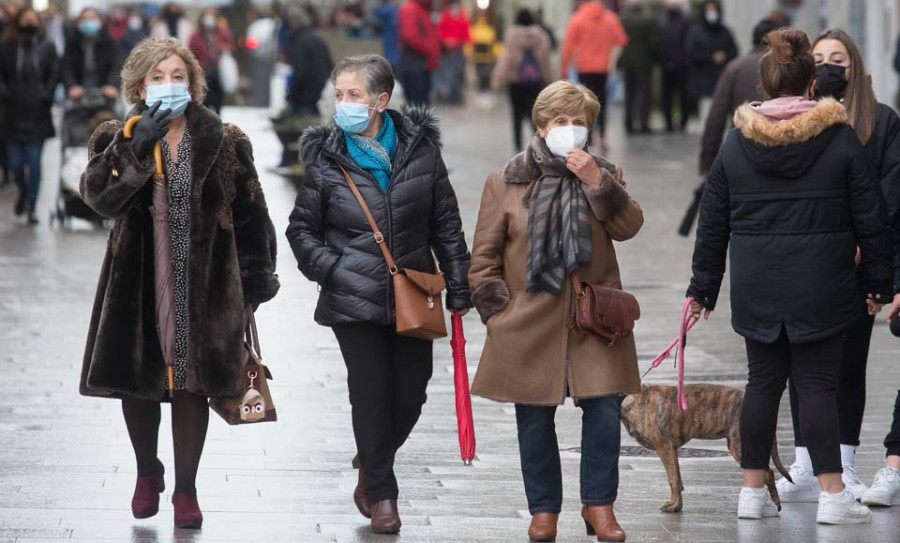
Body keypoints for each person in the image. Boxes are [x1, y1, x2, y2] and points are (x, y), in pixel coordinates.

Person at [687, 28, 892, 524]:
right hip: (823, 287)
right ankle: (832, 496)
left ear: (765, 84)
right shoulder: (839, 139)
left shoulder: (737, 144)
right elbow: (872, 218)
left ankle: (752, 495)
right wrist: (878, 285)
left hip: (758, 288)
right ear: (809, 87)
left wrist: (703, 288)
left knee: (763, 385)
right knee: (818, 386)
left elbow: (712, 222)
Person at [79, 37, 280, 529]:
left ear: (192, 83)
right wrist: (135, 146)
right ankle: (148, 471)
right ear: (139, 85)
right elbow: (99, 198)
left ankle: (186, 489)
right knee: (139, 377)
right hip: (139, 277)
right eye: (157, 77)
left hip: (205, 278)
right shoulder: (115, 135)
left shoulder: (225, 139)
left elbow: (254, 214)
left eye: (178, 77)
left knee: (193, 379)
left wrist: (255, 283)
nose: (169, 85)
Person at [287, 54, 471, 535]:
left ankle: (371, 464)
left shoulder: (421, 151)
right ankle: (383, 495)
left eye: (354, 95)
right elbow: (301, 229)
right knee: (370, 395)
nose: (343, 104)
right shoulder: (327, 159)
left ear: (381, 101)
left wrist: (459, 284)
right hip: (354, 299)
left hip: (416, 291)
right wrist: (333, 268)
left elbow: (445, 223)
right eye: (340, 94)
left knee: (411, 393)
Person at [469, 80, 643, 543]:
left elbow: (629, 226)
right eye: (560, 122)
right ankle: (544, 510)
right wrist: (498, 313)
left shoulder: (604, 173)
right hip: (529, 321)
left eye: (579, 122)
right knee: (534, 419)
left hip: (596, 319)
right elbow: (483, 258)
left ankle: (599, 506)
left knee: (605, 413)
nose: (570, 130)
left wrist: (596, 183)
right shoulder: (506, 180)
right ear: (541, 126)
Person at [773, 28, 900, 505]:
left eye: (838, 58)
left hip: (861, 265)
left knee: (850, 365)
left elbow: (889, 195)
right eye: (820, 58)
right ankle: (806, 462)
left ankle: (843, 463)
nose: (829, 66)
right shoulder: (800, 120)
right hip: (810, 263)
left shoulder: (882, 122)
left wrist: (865, 249)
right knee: (802, 365)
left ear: (856, 67)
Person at [699, 18, 781, 176]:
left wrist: (707, 162)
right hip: (780, 146)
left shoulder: (734, 68)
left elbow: (716, 116)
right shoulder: (786, 67)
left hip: (741, 146)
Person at [0, 7, 59, 225]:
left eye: (34, 18)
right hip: (12, 111)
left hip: (38, 111)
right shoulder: (6, 45)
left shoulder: (47, 45)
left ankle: (32, 204)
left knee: (34, 162)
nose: (30, 22)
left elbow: (54, 72)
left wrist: (46, 93)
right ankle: (23, 192)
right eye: (26, 18)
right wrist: (5, 93)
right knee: (16, 162)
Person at [559, 0, 628, 146]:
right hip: (603, 68)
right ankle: (602, 135)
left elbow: (567, 48)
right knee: (602, 102)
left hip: (584, 67)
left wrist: (563, 70)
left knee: (585, 103)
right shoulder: (610, 18)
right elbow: (622, 40)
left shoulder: (577, 19)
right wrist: (612, 57)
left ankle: (588, 136)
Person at [490, 8, 552, 152]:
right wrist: (549, 79)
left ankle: (517, 146)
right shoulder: (541, 36)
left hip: (515, 81)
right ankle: (538, 143)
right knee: (535, 113)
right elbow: (545, 61)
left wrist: (497, 78)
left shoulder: (512, 36)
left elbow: (505, 58)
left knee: (516, 114)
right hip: (535, 81)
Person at [686, 0, 738, 121]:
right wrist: (710, 57)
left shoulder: (725, 31)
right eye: (708, 10)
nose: (711, 13)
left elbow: (733, 51)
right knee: (707, 112)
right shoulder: (696, 31)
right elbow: (691, 53)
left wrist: (724, 57)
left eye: (713, 9)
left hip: (722, 77)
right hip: (703, 79)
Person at [62, 8, 121, 103]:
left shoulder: (110, 43)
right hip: (79, 94)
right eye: (84, 19)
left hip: (104, 93)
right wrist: (71, 85)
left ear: (100, 22)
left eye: (92, 18)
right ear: (78, 23)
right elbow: (66, 68)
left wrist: (112, 85)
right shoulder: (72, 45)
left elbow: (117, 65)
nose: (88, 22)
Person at [619, 0, 658, 135]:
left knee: (629, 93)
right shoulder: (647, 20)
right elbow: (654, 43)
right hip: (644, 63)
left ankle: (628, 124)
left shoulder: (623, 19)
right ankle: (643, 124)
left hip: (627, 63)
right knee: (644, 94)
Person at [285, 8, 332, 117]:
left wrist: (291, 96)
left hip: (303, 98)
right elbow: (330, 66)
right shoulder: (319, 40)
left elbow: (299, 73)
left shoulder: (299, 42)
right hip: (320, 95)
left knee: (303, 130)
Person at [188, 7, 233, 114]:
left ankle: (217, 120)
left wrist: (222, 47)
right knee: (204, 99)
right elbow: (190, 52)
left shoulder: (222, 32)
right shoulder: (196, 35)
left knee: (218, 100)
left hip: (218, 71)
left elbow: (230, 46)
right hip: (202, 71)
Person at [657, 0, 692, 132]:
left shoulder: (686, 20)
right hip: (666, 64)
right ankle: (668, 123)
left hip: (682, 65)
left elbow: (688, 42)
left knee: (683, 94)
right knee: (667, 95)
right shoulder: (661, 19)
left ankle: (683, 122)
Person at [397, 0, 439, 106]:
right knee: (417, 107)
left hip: (423, 65)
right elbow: (411, 37)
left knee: (422, 106)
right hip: (414, 66)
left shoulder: (424, 8)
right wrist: (430, 49)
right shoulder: (410, 9)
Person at [436, 0, 470, 105]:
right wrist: (446, 41)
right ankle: (448, 95)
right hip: (446, 51)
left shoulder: (462, 16)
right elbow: (440, 30)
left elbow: (466, 32)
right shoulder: (445, 15)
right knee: (447, 74)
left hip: (458, 51)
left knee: (458, 74)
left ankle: (457, 95)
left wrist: (457, 41)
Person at [372, 0, 399, 70]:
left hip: (390, 53)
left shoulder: (386, 10)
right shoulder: (393, 10)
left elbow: (376, 13)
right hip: (395, 53)